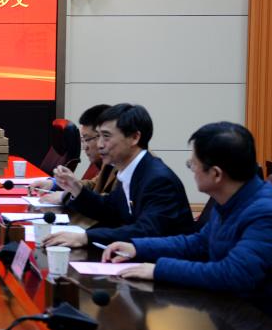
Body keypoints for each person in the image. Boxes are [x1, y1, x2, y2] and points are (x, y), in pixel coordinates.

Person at [103, 122, 272, 330]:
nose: (192, 171)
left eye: (192, 164)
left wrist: (158, 270)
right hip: (240, 319)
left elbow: (232, 274)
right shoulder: (233, 198)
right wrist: (137, 248)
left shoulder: (268, 213)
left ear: (216, 174)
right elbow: (200, 242)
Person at [43, 103, 194, 248]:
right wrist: (76, 189)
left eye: (106, 137)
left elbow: (146, 231)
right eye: (99, 137)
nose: (100, 144)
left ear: (134, 137)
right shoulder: (129, 169)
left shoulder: (158, 180)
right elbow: (110, 209)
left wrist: (87, 237)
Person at [29, 103, 117, 202]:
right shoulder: (109, 163)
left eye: (87, 139)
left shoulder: (125, 168)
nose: (85, 147)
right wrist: (55, 184)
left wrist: (65, 197)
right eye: (83, 140)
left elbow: (109, 204)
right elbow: (93, 184)